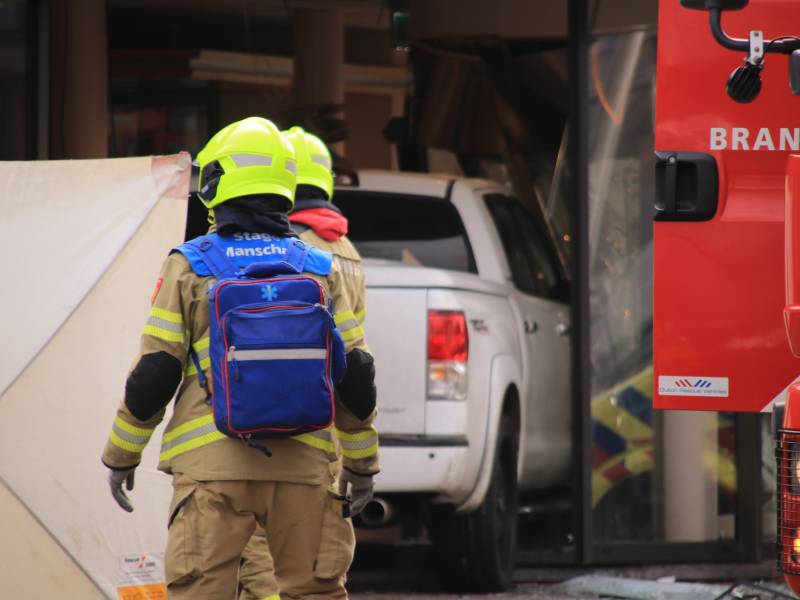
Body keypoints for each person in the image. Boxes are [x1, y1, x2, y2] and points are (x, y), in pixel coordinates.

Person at [101, 116, 377, 600]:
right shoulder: (321, 268)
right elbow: (355, 374)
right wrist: (361, 465)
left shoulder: (190, 264)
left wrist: (122, 455)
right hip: (304, 469)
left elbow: (155, 372)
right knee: (312, 592)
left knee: (203, 592)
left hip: (212, 473)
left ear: (215, 183)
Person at [237, 126, 379, 600]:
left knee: (264, 561)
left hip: (278, 423)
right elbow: (353, 357)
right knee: (318, 563)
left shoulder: (297, 250)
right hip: (330, 426)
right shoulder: (347, 249)